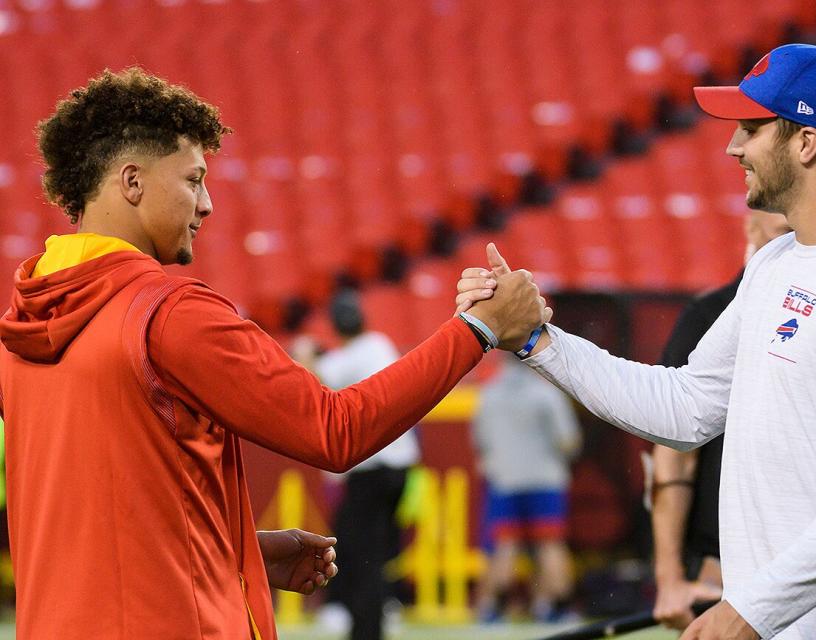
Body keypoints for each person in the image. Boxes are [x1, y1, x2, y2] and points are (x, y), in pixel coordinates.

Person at [0, 68, 548, 639]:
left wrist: (236, 549)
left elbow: (97, 522)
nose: (207, 204)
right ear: (132, 182)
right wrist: (478, 329)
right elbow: (336, 431)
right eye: (193, 179)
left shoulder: (20, 328)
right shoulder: (170, 313)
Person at [457, 44, 816, 639]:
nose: (733, 148)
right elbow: (686, 406)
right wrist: (537, 341)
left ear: (806, 142)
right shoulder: (775, 263)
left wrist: (750, 609)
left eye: (751, 128)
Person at [652, 211, 790, 631]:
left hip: (815, 565)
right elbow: (674, 454)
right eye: (781, 228)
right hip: (726, 568)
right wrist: (670, 577)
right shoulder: (709, 313)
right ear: (750, 227)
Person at [313, 290, 421, 640]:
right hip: (400, 467)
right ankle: (375, 615)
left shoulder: (350, 356)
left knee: (362, 553)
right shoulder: (380, 344)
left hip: (371, 470)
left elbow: (315, 380)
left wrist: (305, 356)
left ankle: (366, 627)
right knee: (374, 550)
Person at [471, 353, 581, 623]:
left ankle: (493, 609)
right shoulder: (546, 394)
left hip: (506, 479)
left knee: (505, 544)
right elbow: (568, 441)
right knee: (550, 544)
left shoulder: (489, 394)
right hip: (545, 478)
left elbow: (480, 441)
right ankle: (555, 607)